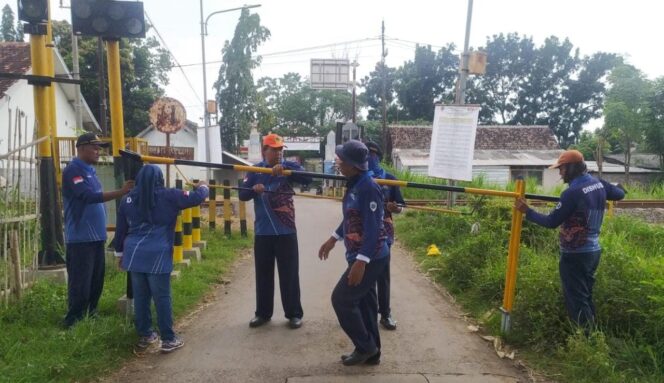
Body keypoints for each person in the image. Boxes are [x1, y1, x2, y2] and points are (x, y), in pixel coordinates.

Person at [515, 150, 625, 328]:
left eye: (562, 169)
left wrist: (528, 212)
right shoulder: (598, 184)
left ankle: (586, 341)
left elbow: (551, 222)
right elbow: (620, 194)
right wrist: (617, 186)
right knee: (586, 295)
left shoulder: (572, 192)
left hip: (575, 254)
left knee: (576, 299)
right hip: (593, 252)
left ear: (571, 168)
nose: (560, 173)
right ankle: (593, 335)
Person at [114, 165, 209, 353]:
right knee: (162, 296)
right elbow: (197, 197)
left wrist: (119, 254)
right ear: (160, 179)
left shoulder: (127, 200)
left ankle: (146, 336)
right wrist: (204, 186)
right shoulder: (169, 196)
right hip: (158, 253)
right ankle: (168, 338)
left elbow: (120, 231)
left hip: (134, 255)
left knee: (141, 297)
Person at [318, 140, 389, 366]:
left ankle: (365, 347)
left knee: (342, 300)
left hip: (371, 256)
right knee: (366, 305)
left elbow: (374, 228)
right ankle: (373, 352)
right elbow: (351, 217)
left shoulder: (368, 187)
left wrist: (361, 262)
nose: (338, 163)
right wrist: (333, 239)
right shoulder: (354, 183)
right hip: (360, 254)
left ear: (353, 165)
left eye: (341, 160)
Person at [239, 133, 312, 329]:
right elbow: (242, 194)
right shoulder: (254, 171)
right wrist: (254, 189)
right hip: (263, 233)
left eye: (281, 150)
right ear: (265, 151)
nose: (279, 153)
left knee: (289, 275)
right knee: (263, 274)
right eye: (274, 149)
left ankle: (294, 314)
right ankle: (262, 313)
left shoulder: (289, 168)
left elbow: (308, 178)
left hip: (286, 232)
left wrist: (286, 169)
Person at [61, 133, 134, 328]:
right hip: (80, 238)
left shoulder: (90, 171)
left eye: (99, 147)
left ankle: (90, 313)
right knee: (80, 281)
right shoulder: (73, 170)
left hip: (96, 237)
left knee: (96, 279)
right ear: (82, 147)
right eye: (94, 147)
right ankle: (74, 319)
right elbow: (87, 196)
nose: (98, 151)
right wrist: (120, 192)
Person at [365, 141, 404, 331]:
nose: (370, 159)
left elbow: (402, 207)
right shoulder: (358, 179)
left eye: (373, 155)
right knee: (364, 274)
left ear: (379, 157)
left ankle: (385, 313)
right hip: (362, 234)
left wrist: (395, 207)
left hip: (383, 233)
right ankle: (368, 312)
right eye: (366, 155)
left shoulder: (390, 179)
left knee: (382, 275)